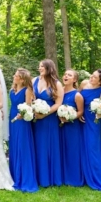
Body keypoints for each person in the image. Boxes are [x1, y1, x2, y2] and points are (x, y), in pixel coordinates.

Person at [77, 70, 101, 191]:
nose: (91, 77)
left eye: (95, 77)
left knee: (93, 149)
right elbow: (76, 98)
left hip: (93, 122)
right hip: (80, 119)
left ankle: (96, 178)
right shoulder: (84, 84)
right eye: (92, 75)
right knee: (80, 147)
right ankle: (82, 176)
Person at [32, 59, 64, 187]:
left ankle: (50, 177)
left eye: (42, 67)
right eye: (39, 66)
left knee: (48, 147)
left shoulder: (57, 84)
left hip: (49, 119)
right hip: (35, 119)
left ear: (49, 68)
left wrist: (44, 114)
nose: (39, 68)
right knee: (37, 146)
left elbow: (58, 103)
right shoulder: (34, 80)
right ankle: (38, 177)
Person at [8, 68, 38, 193]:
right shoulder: (12, 90)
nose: (14, 77)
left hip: (22, 121)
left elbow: (29, 106)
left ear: (22, 78)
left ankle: (24, 178)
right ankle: (14, 176)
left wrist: (23, 113)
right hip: (12, 119)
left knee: (22, 147)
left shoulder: (28, 90)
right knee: (14, 146)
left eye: (16, 75)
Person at [59, 69, 84, 187]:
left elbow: (81, 112)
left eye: (69, 75)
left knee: (72, 150)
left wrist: (70, 117)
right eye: (65, 74)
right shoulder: (59, 92)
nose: (66, 76)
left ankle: (73, 178)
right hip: (58, 126)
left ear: (74, 80)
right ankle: (62, 176)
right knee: (61, 150)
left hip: (72, 127)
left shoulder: (77, 95)